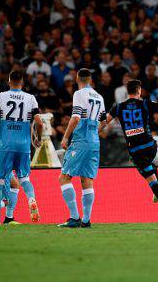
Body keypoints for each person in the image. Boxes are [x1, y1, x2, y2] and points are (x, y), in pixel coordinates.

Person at [103, 79, 158, 221]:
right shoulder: (144, 103)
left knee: (152, 181)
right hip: (151, 146)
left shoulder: (119, 107)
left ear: (128, 92)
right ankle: (157, 194)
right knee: (152, 166)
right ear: (139, 91)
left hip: (136, 151)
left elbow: (105, 120)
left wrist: (95, 131)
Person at [58, 68, 106, 228]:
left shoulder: (79, 94)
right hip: (94, 141)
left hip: (80, 141)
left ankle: (74, 217)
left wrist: (65, 137)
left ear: (77, 79)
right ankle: (86, 220)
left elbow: (76, 117)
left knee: (64, 177)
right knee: (87, 179)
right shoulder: (99, 96)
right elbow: (104, 121)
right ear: (90, 80)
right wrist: (94, 132)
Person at [0, 70, 43, 225]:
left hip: (5, 144)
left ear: (9, 81)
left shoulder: (0, 97)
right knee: (24, 178)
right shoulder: (30, 98)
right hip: (23, 146)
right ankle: (31, 199)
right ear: (22, 82)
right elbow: (39, 122)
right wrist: (38, 138)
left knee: (0, 181)